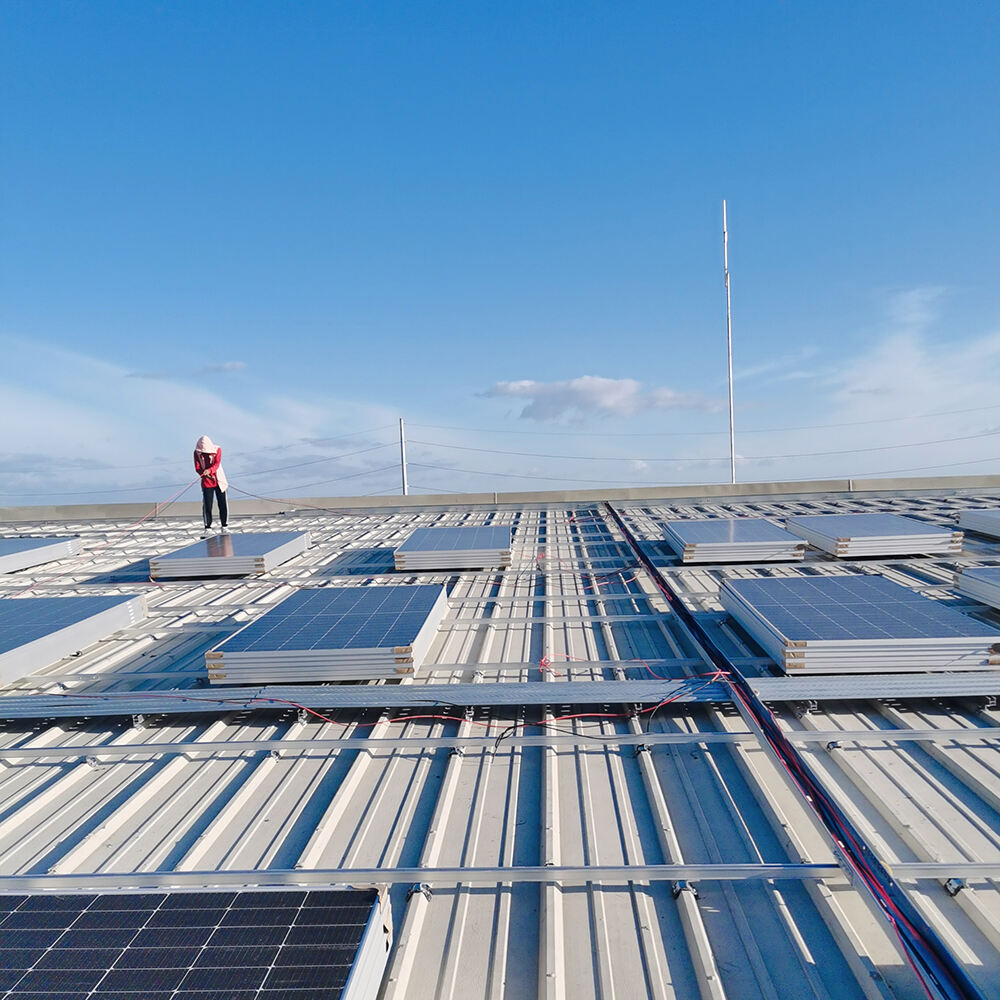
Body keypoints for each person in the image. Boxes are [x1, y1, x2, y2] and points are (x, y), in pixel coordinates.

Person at [193, 435, 230, 537]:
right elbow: (197, 467)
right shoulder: (196, 453)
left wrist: (209, 471)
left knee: (222, 503)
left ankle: (224, 526)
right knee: (207, 505)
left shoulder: (217, 449)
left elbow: (217, 464)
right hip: (207, 481)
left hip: (219, 480)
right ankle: (207, 527)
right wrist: (203, 473)